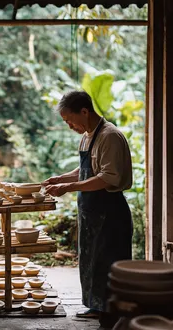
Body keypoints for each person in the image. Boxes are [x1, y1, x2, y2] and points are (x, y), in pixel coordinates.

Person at [42, 90, 133, 329]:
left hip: (109, 211)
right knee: (91, 261)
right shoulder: (87, 136)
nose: (69, 125)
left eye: (69, 120)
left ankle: (111, 314)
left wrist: (68, 187)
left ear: (84, 111)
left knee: (109, 263)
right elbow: (87, 168)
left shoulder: (110, 136)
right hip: (91, 212)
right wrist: (61, 178)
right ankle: (96, 306)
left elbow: (107, 178)